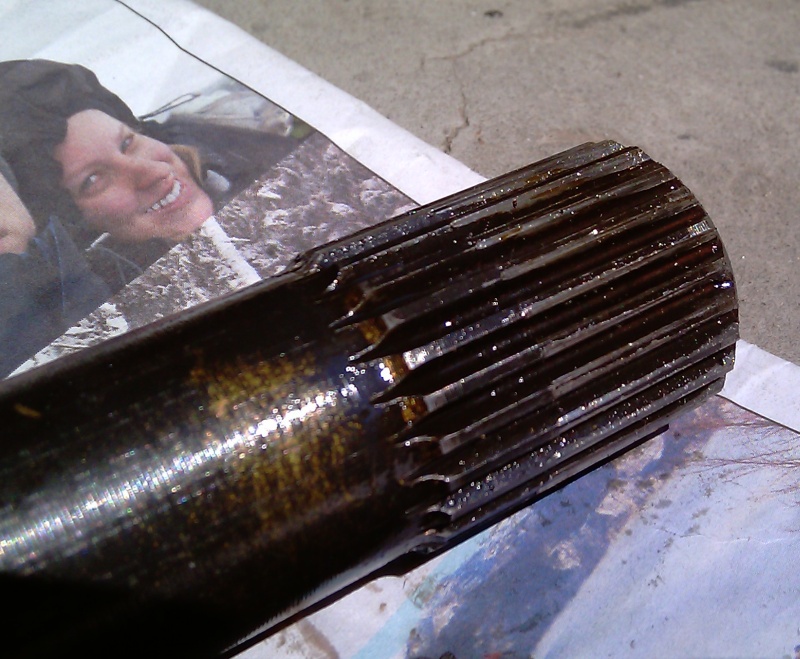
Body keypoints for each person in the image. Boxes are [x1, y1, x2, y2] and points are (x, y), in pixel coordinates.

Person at [0, 59, 307, 289]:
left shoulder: (245, 155)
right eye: (93, 180)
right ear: (74, 229)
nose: (153, 172)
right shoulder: (120, 311)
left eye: (127, 143)